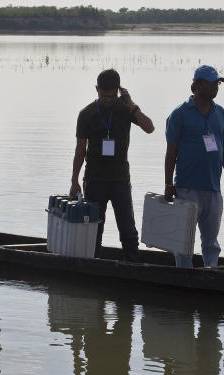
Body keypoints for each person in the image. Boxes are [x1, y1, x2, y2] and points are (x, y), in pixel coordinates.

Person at [71, 69, 154, 261]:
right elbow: (80, 150)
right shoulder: (87, 114)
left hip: (120, 179)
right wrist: (74, 180)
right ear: (96, 89)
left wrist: (131, 105)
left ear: (118, 90)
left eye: (111, 95)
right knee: (94, 230)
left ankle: (133, 267)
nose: (108, 100)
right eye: (103, 95)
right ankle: (93, 268)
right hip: (94, 179)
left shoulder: (125, 109)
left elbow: (149, 128)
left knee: (128, 230)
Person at [164, 65, 224, 268]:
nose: (215, 88)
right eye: (211, 84)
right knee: (184, 240)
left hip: (213, 187)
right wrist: (169, 184)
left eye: (217, 84)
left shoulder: (219, 112)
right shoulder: (179, 114)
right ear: (197, 84)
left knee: (211, 241)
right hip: (187, 187)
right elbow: (171, 153)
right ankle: (183, 275)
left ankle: (211, 273)